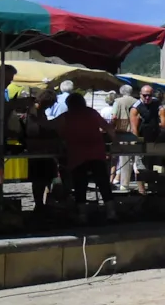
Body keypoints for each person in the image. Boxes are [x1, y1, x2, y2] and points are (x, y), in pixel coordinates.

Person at [48, 93, 117, 223]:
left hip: (77, 154)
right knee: (103, 184)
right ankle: (111, 212)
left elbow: (51, 126)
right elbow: (108, 128)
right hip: (97, 153)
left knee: (80, 185)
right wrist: (115, 142)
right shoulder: (92, 113)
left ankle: (82, 215)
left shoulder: (67, 116)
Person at [25, 89, 60, 215]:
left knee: (45, 178)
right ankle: (39, 205)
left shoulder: (38, 111)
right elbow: (34, 130)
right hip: (38, 150)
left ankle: (42, 204)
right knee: (39, 179)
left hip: (40, 149)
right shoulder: (34, 112)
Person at [130, 84, 165, 195]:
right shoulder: (136, 107)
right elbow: (134, 128)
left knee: (155, 165)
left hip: (155, 138)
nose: (147, 98)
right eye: (145, 95)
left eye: (150, 95)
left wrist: (162, 115)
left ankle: (154, 188)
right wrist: (138, 142)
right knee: (141, 166)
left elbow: (163, 122)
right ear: (140, 95)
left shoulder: (157, 103)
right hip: (142, 138)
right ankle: (142, 191)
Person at [111, 85, 137, 191]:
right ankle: (137, 180)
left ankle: (124, 184)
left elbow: (114, 117)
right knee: (135, 158)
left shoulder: (118, 101)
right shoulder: (137, 101)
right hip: (134, 131)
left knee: (124, 158)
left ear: (121, 91)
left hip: (122, 131)